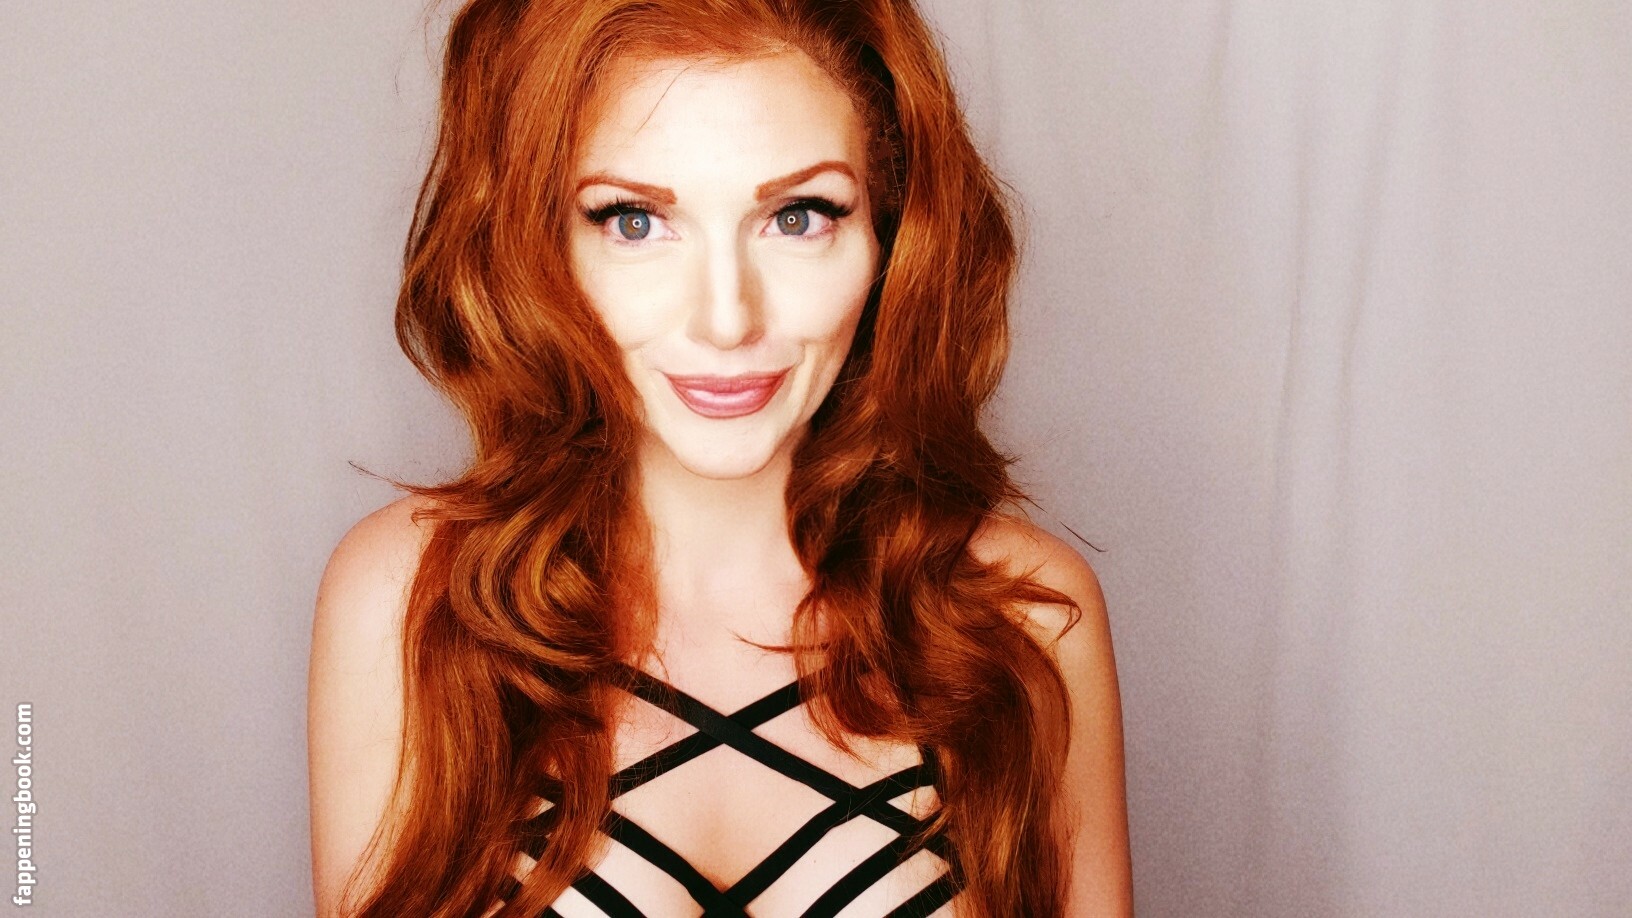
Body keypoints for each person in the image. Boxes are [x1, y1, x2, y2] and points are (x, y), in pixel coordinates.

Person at [307, 0, 1132, 915]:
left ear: (891, 236)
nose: (728, 319)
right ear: (536, 248)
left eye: (798, 216)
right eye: (633, 222)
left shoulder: (1020, 617)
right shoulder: (412, 604)